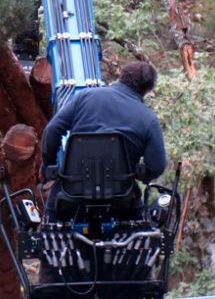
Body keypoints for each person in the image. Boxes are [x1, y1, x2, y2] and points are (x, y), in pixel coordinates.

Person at [37, 62, 166, 293]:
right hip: (122, 206)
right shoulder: (148, 119)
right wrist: (138, 172)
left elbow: (52, 131)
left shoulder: (85, 97)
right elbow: (157, 166)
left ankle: (51, 280)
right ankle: (134, 283)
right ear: (146, 90)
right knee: (140, 220)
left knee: (52, 218)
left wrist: (48, 166)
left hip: (69, 200)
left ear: (121, 76)